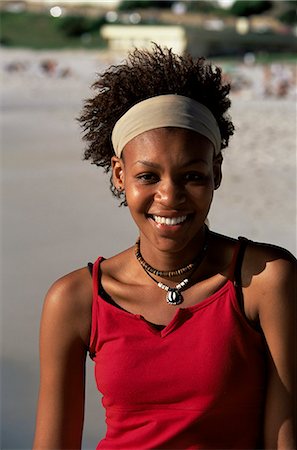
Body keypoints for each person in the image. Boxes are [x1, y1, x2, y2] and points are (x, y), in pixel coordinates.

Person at [33, 45, 296, 449]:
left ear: (216, 172)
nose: (169, 196)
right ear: (120, 175)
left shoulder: (264, 280)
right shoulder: (74, 300)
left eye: (192, 175)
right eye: (148, 176)